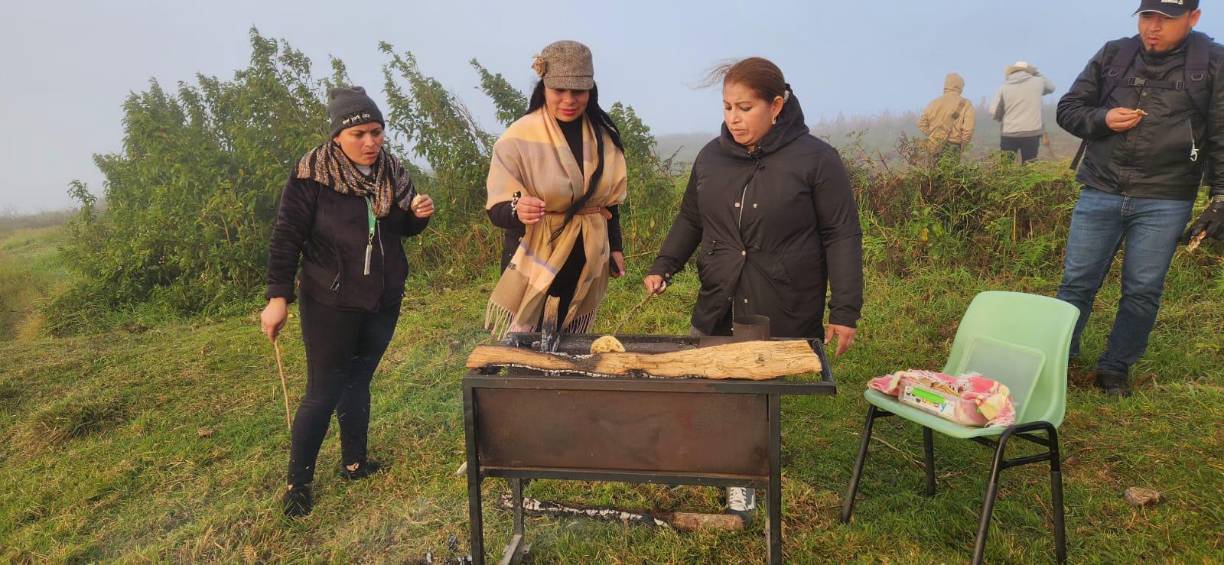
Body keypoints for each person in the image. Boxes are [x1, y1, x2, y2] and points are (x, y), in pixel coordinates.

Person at [644, 57, 863, 519]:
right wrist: (665, 264)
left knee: (751, 391)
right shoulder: (710, 157)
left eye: (745, 107)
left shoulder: (816, 160)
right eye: (726, 107)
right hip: (718, 292)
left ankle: (743, 478)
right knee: (711, 381)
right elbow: (691, 218)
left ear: (777, 105)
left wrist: (844, 310)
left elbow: (841, 234)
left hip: (779, 297)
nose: (733, 119)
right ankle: (718, 458)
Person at [261, 86, 435, 516]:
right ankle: (297, 484)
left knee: (359, 381)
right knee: (324, 390)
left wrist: (416, 217)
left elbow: (395, 229)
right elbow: (287, 237)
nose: (371, 142)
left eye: (377, 132)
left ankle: (354, 463)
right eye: (359, 133)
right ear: (338, 135)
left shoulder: (392, 173)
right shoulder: (310, 176)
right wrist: (278, 297)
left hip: (383, 297)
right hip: (329, 300)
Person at [1055, 0, 1224, 397]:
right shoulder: (1115, 53)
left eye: (1166, 19)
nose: (1153, 27)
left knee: (1143, 289)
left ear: (1193, 18)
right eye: (1148, 17)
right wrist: (1103, 119)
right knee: (1076, 283)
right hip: (1100, 187)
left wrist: (1220, 196)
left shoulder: (1213, 63)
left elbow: (1221, 133)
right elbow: (1069, 108)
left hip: (1166, 196)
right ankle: (1059, 358)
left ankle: (1115, 369)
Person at [483, 40, 627, 338]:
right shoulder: (518, 138)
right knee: (525, 339)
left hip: (585, 254)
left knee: (570, 338)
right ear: (543, 88)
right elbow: (496, 208)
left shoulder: (603, 137)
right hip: (534, 253)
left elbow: (608, 203)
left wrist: (615, 247)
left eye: (578, 92)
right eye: (559, 90)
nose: (569, 100)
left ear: (590, 91)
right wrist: (517, 209)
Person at [990, 61, 1056, 163]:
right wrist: (1037, 73)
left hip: (1009, 133)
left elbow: (993, 111)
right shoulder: (1038, 82)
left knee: (1006, 167)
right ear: (1029, 71)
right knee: (1029, 167)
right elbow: (1051, 88)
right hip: (1031, 133)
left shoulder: (1004, 87)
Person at [917, 73, 976, 157]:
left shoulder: (933, 103)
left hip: (934, 145)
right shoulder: (966, 104)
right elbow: (968, 130)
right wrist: (962, 146)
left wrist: (933, 136)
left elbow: (921, 123)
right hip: (954, 146)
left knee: (933, 169)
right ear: (959, 86)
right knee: (950, 170)